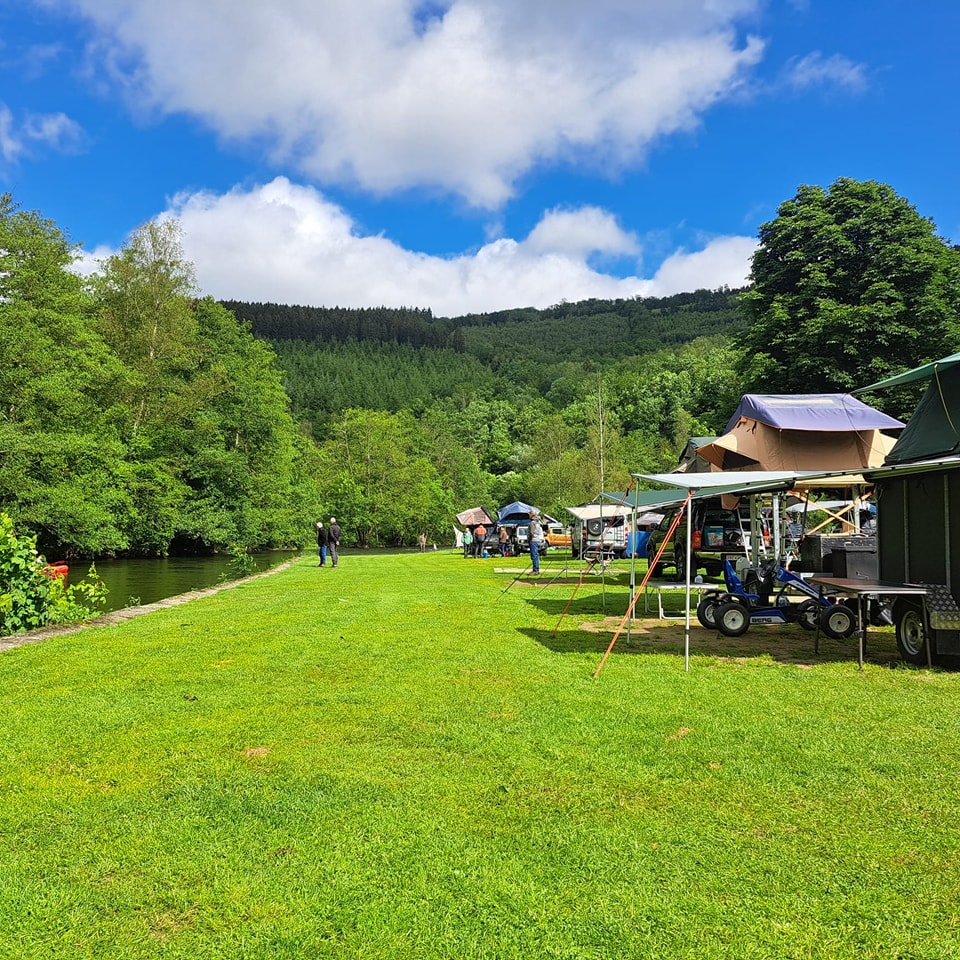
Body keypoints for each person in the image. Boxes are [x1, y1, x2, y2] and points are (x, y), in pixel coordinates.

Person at [528, 509, 544, 575]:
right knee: (536, 555)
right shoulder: (538, 522)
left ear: (532, 514)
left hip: (533, 540)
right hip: (538, 539)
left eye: (529, 514)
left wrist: (529, 539)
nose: (528, 515)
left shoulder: (532, 522)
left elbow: (531, 532)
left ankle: (535, 570)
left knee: (534, 555)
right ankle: (536, 569)